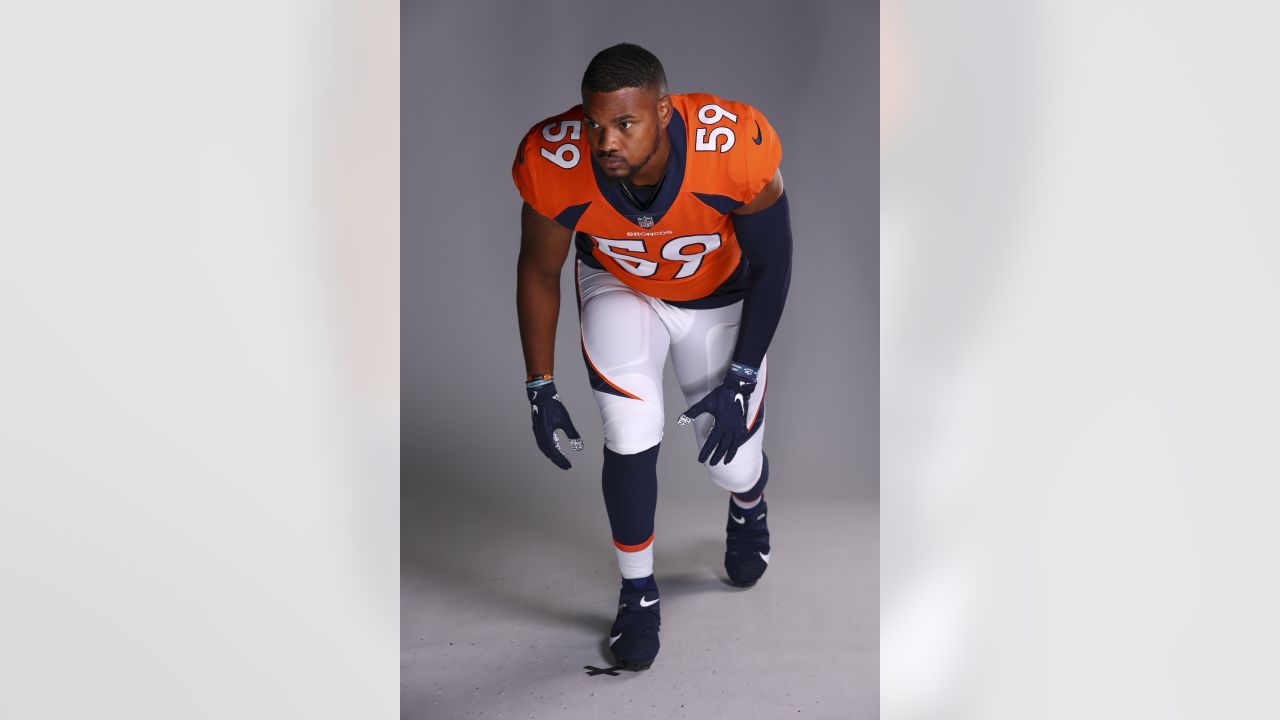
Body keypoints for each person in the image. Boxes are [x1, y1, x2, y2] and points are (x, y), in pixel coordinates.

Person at [512, 43, 792, 671]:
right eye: (595, 123)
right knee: (630, 427)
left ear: (664, 112)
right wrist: (540, 385)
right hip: (622, 286)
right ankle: (637, 590)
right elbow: (539, 268)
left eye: (624, 124)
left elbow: (774, 263)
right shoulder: (556, 158)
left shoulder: (733, 146)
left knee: (733, 466)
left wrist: (742, 375)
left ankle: (748, 506)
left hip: (719, 299)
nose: (603, 141)